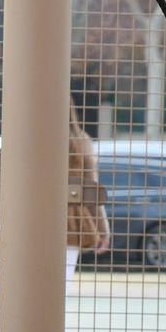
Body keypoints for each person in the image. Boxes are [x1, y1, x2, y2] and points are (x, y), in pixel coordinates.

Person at [67, 105, 111, 282]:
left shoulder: (28, 136)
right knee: (61, 282)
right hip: (70, 220)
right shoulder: (80, 141)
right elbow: (91, 189)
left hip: (31, 220)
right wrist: (103, 230)